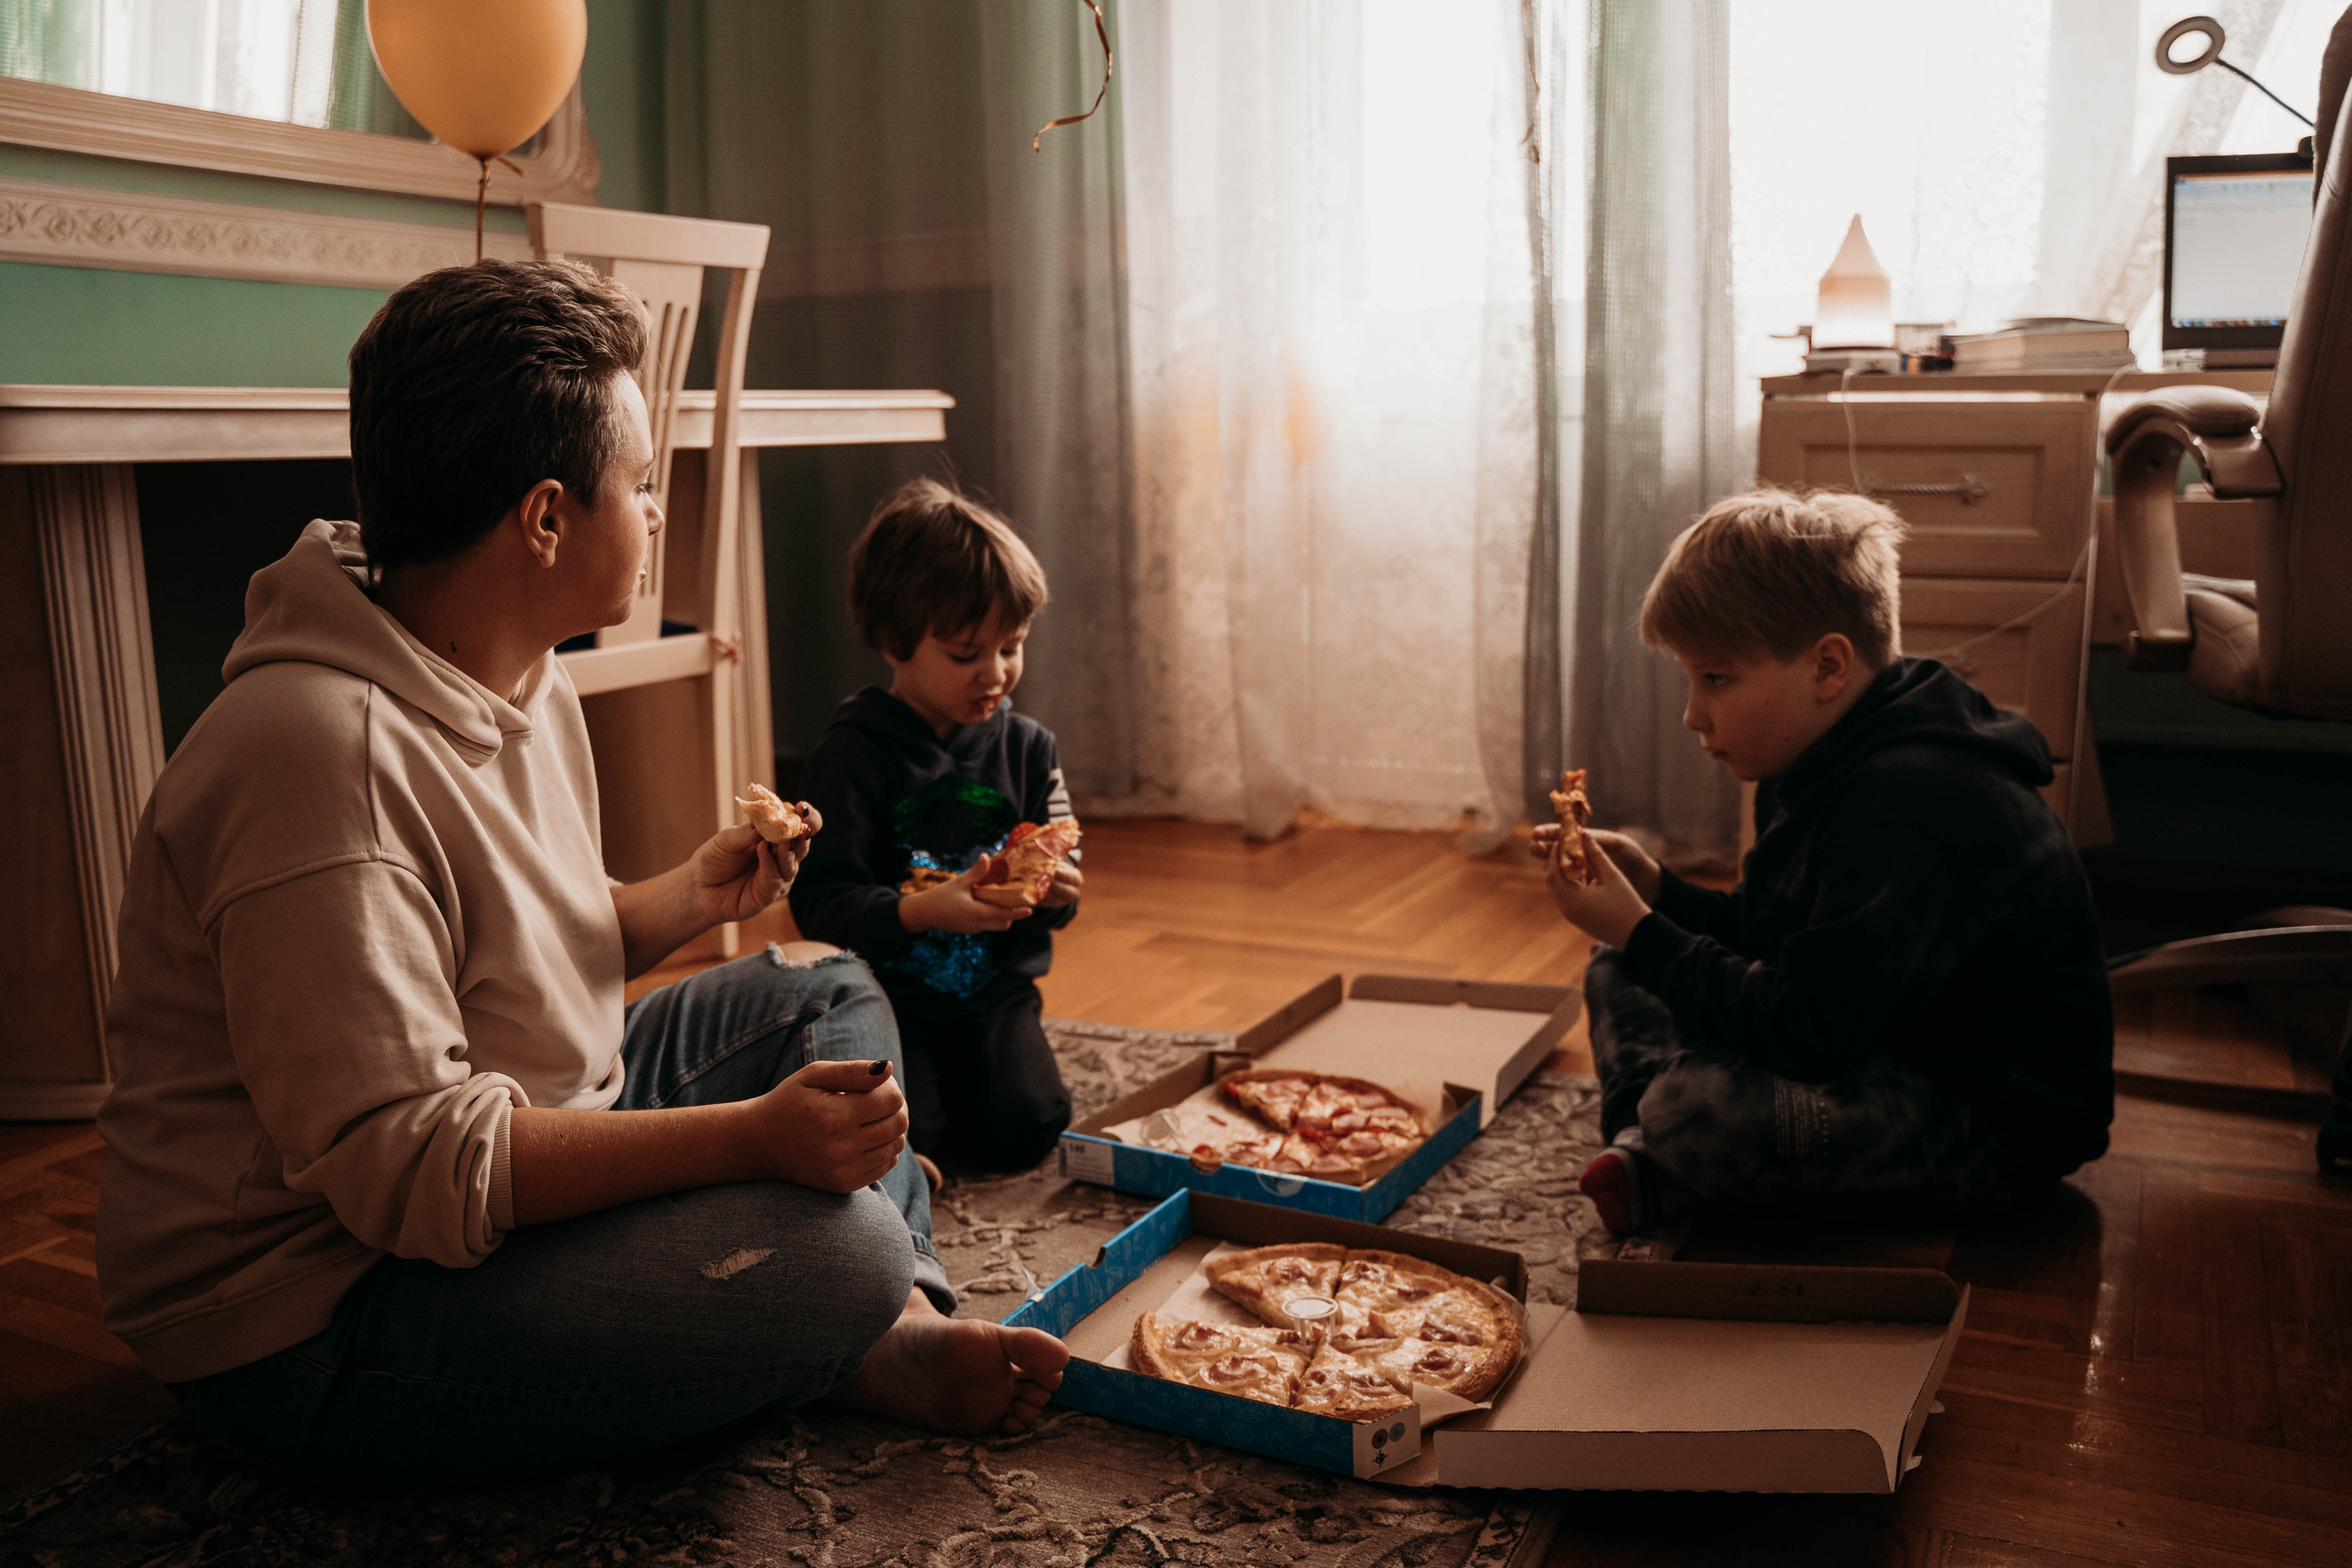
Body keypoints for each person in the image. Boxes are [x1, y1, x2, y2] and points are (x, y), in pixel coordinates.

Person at [94, 260, 1066, 1480]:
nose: (655, 514)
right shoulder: (316, 756)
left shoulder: (508, 662)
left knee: (822, 986)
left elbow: (506, 955)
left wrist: (678, 900)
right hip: (321, 1306)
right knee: (843, 1244)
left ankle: (888, 1326)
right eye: (643, 485)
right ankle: (865, 1306)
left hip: (525, 1128)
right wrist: (748, 1142)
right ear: (546, 518)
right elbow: (417, 1165)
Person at [1533, 489, 2114, 1236]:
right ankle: (1647, 1152)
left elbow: (1805, 1027)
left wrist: (1650, 931)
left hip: (1984, 1119)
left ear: (1828, 667)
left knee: (1697, 1105)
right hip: (1865, 1028)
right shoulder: (1812, 755)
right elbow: (1772, 932)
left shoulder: (1915, 800)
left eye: (1715, 679)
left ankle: (1659, 1145)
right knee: (1617, 960)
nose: (1692, 714)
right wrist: (1656, 892)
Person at [789, 479, 1080, 1176]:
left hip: (992, 989)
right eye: (965, 654)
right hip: (889, 995)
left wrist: (1061, 891)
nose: (997, 674)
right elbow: (821, 903)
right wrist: (921, 911)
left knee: (1030, 1126)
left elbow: (1061, 869)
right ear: (895, 642)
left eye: (1012, 647)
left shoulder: (1031, 748)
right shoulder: (852, 755)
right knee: (896, 1136)